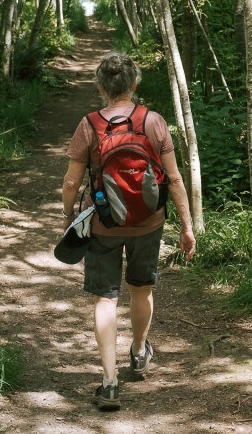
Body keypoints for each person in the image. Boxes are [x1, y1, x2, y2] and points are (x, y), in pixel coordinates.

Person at [60, 52, 197, 412]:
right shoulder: (153, 121)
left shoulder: (89, 125)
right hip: (149, 223)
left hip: (104, 223)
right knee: (141, 289)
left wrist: (69, 217)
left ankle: (108, 383)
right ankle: (139, 351)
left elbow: (72, 181)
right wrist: (186, 226)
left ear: (100, 86)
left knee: (105, 299)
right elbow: (175, 178)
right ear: (135, 84)